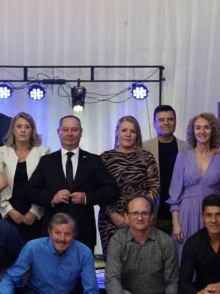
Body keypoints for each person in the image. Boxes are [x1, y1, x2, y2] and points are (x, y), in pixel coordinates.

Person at [26, 115, 119, 251]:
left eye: (74, 130)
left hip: (83, 232)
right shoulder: (46, 161)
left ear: (81, 132)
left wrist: (86, 197)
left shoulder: (93, 160)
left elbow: (111, 190)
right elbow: (30, 191)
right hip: (52, 233)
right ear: (58, 132)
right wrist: (53, 197)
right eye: (65, 129)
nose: (69, 133)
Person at [168, 112, 220, 256]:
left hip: (213, 215)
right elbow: (175, 194)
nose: (202, 131)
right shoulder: (182, 156)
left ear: (213, 131)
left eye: (206, 127)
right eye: (198, 128)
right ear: (193, 131)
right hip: (187, 213)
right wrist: (176, 223)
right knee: (187, 257)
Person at [98, 115, 159, 251]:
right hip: (111, 220)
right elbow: (98, 190)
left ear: (137, 135)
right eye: (124, 130)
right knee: (114, 260)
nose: (128, 134)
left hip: (141, 219)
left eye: (133, 131)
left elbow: (154, 187)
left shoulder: (147, 157)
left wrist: (141, 213)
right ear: (116, 132)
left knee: (142, 259)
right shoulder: (105, 157)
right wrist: (113, 214)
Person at [0, 112, 50, 242]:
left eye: (27, 127)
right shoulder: (1, 152)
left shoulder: (43, 152)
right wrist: (9, 210)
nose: (23, 130)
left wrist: (34, 212)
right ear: (12, 129)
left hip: (35, 211)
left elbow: (47, 185)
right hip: (9, 210)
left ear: (32, 130)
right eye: (19, 126)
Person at [142, 104, 179, 235]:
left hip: (180, 215)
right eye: (161, 120)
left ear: (175, 122)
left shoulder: (187, 148)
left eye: (170, 119)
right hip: (152, 215)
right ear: (154, 123)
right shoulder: (143, 148)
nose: (166, 123)